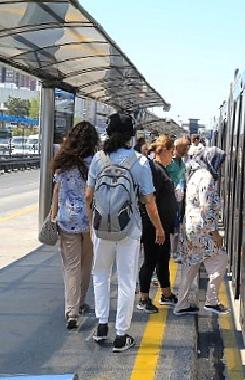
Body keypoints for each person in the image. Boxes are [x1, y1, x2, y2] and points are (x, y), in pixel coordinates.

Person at [85, 113, 164, 353]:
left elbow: (88, 195)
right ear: (131, 136)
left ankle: (101, 327)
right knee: (127, 281)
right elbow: (149, 201)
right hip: (128, 228)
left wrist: (94, 224)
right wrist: (159, 228)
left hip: (101, 228)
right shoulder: (139, 162)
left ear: (108, 133)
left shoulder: (98, 159)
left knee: (100, 275)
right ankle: (121, 335)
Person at [50, 122, 98, 330]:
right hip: (89, 220)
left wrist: (53, 217)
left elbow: (57, 191)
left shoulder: (63, 161)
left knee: (71, 266)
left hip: (67, 220)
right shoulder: (95, 162)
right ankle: (80, 302)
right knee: (86, 264)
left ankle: (72, 311)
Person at [174, 146, 228, 315]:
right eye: (218, 162)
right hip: (201, 228)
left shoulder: (195, 174)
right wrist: (215, 233)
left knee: (191, 265)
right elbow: (206, 208)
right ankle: (211, 301)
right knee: (220, 258)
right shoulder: (206, 178)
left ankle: (181, 304)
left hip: (190, 227)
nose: (219, 166)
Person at [137, 135, 179, 313]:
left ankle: (166, 293)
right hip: (154, 226)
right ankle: (143, 298)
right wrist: (159, 228)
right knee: (150, 261)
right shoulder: (154, 169)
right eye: (172, 152)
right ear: (165, 151)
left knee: (162, 260)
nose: (173, 156)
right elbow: (150, 200)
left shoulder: (160, 168)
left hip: (162, 225)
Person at [165, 137, 190, 260]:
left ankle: (175, 252)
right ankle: (170, 252)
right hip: (170, 197)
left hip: (180, 198)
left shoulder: (183, 162)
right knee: (171, 226)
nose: (187, 150)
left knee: (177, 225)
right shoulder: (170, 161)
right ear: (177, 148)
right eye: (184, 147)